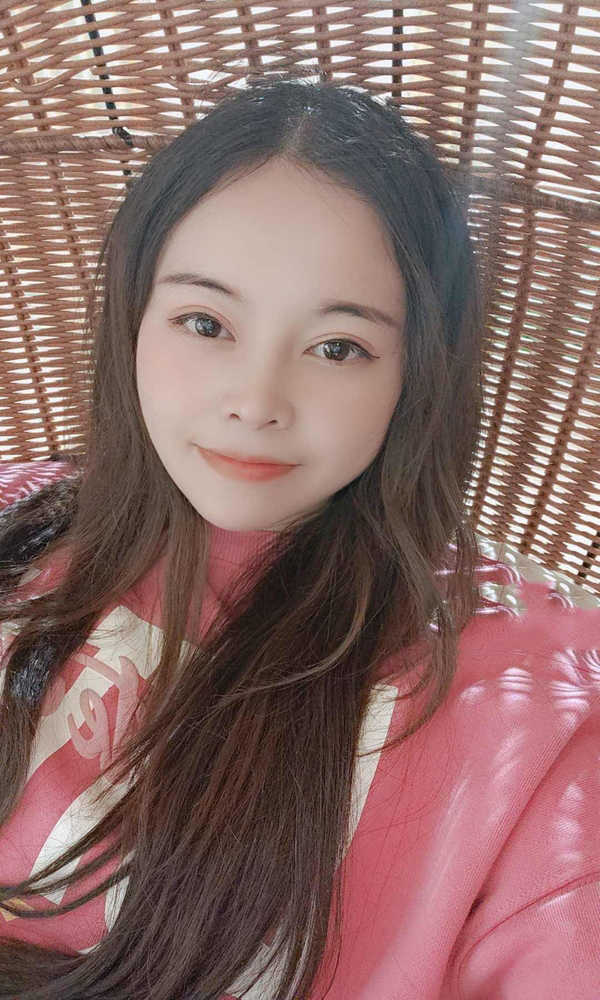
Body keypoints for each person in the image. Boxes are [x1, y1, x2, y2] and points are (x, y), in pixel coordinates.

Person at [0, 74, 598, 1000]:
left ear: (417, 374)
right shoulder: (20, 515)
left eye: (337, 347)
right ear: (133, 321)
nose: (257, 402)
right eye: (206, 323)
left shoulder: (535, 712)